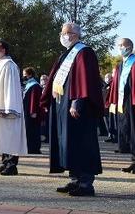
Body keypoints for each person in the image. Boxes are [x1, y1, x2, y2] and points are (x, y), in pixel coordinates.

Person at [41, 22, 103, 197]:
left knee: (81, 143)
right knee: (69, 144)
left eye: (66, 33)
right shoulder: (66, 54)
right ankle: (75, 179)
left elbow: (86, 80)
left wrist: (77, 101)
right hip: (62, 106)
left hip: (78, 108)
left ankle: (85, 184)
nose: (63, 36)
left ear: (76, 34)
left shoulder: (84, 52)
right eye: (62, 33)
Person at [0, 41, 27, 176]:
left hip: (7, 107)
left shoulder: (9, 66)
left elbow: (10, 87)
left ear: (2, 50)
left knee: (10, 135)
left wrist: (9, 107)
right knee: (2, 136)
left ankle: (12, 165)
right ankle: (5, 162)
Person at [115, 37, 135, 174]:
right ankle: (134, 160)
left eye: (123, 45)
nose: (120, 47)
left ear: (130, 47)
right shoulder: (121, 64)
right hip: (123, 103)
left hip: (133, 102)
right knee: (128, 131)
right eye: (118, 45)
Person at [23, 67, 43, 154]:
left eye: (25, 74)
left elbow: (34, 100)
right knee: (29, 130)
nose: (23, 76)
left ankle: (34, 148)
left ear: (30, 74)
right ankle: (29, 147)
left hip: (32, 112)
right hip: (27, 111)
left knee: (33, 130)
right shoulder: (28, 84)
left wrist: (33, 111)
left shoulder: (35, 85)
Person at [104, 67, 119, 144]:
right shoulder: (110, 83)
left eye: (114, 72)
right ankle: (111, 136)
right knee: (110, 122)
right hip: (109, 104)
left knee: (114, 121)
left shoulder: (114, 82)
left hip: (113, 104)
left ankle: (115, 137)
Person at [39, 73, 49, 143]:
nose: (43, 81)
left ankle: (46, 137)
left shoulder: (48, 88)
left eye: (44, 79)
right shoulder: (39, 88)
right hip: (41, 109)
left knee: (46, 124)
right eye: (42, 79)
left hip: (46, 109)